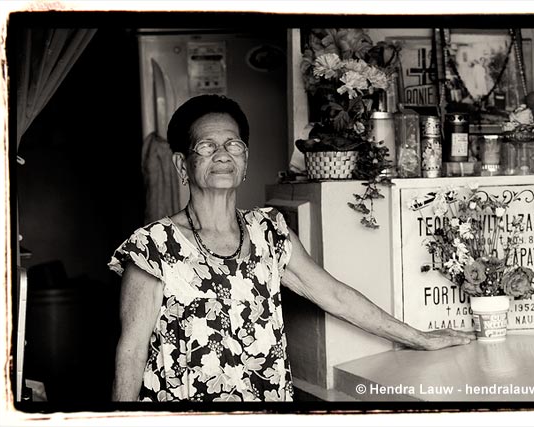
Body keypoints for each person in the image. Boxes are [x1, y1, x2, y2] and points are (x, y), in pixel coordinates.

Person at [108, 95, 474, 402]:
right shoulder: (152, 246)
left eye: (233, 145)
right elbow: (131, 352)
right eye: (206, 146)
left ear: (245, 160)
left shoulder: (269, 231)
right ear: (181, 164)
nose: (223, 154)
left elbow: (335, 296)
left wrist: (418, 338)